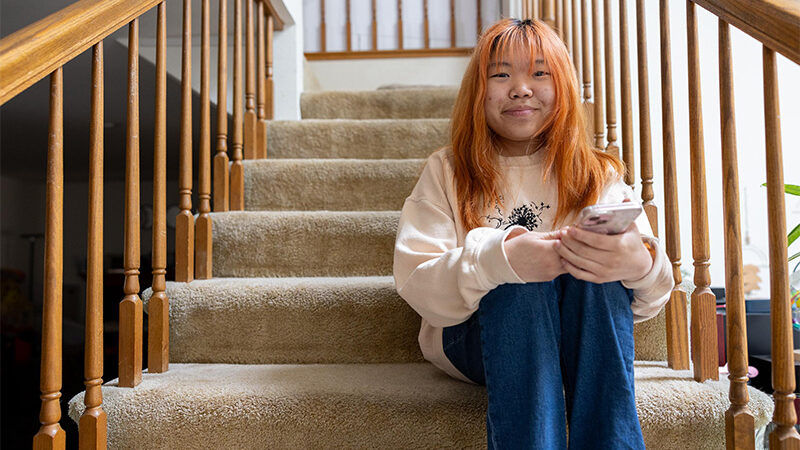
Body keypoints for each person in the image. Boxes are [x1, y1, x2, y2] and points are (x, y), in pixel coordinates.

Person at [393, 18, 674, 449]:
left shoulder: (595, 173)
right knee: (516, 277)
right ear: (477, 91)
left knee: (594, 267)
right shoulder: (447, 170)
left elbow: (654, 295)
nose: (521, 89)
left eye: (539, 73)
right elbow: (416, 281)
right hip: (476, 338)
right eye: (501, 75)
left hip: (581, 338)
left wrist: (638, 263)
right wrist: (499, 260)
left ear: (562, 87)